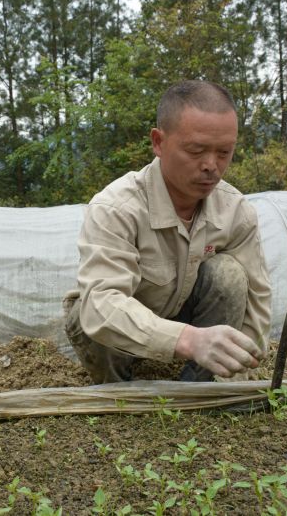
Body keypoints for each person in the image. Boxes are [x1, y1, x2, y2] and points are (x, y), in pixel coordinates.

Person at [62, 80, 272, 384]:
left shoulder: (236, 211)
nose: (211, 166)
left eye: (224, 152)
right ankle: (120, 394)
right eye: (196, 150)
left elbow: (257, 300)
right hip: (121, 335)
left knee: (230, 274)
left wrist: (244, 366)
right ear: (159, 143)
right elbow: (102, 304)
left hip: (186, 321)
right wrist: (188, 340)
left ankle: (201, 389)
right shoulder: (117, 208)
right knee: (87, 312)